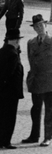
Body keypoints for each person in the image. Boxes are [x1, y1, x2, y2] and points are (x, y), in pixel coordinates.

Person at [0, 28, 25, 148]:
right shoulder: (14, 54)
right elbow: (9, 73)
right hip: (10, 91)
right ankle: (5, 141)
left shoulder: (0, 51)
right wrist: (1, 84)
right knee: (9, 117)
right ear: (15, 41)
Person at [22, 13, 52, 145]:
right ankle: (34, 135)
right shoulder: (31, 43)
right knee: (35, 109)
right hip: (36, 80)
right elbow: (30, 59)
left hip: (49, 80)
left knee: (49, 110)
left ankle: (48, 137)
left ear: (46, 25)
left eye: (41, 25)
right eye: (36, 26)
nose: (39, 28)